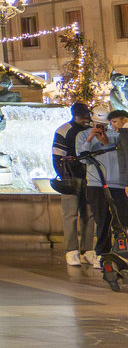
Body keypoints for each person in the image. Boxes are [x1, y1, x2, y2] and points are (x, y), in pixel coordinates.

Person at [81, 110, 128, 266]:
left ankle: (119, 251)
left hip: (119, 184)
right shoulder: (83, 135)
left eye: (110, 123)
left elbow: (122, 155)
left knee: (120, 220)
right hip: (96, 184)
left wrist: (106, 142)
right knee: (102, 219)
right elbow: (82, 157)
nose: (102, 127)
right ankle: (102, 253)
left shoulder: (118, 135)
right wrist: (90, 138)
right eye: (97, 124)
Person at [53, 101, 96, 266]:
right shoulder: (64, 131)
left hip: (90, 178)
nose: (87, 121)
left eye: (88, 117)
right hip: (71, 178)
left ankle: (87, 250)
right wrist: (64, 176)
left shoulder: (92, 129)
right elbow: (56, 157)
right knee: (70, 215)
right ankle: (71, 251)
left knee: (89, 214)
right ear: (74, 116)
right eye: (83, 118)